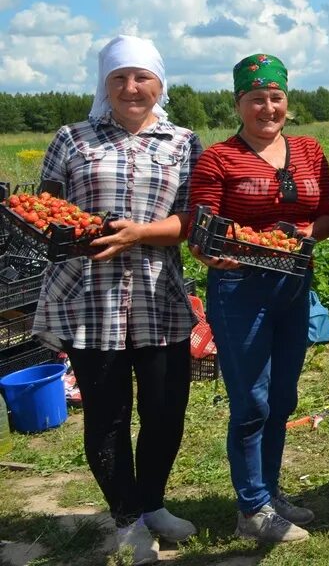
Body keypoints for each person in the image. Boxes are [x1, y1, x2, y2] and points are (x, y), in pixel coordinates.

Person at [32, 36, 202, 565]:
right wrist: (71, 231)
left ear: (159, 84)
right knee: (106, 414)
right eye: (119, 78)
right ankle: (125, 518)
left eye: (142, 77)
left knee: (165, 409)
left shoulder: (183, 142)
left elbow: (192, 222)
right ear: (105, 85)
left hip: (159, 294)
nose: (132, 88)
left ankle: (151, 503)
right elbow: (45, 211)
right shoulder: (73, 138)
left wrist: (139, 234)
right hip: (89, 295)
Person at [189, 53, 329, 544]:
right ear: (239, 104)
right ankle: (251, 508)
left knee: (282, 397)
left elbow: (328, 217)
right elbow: (201, 228)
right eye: (256, 99)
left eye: (275, 98)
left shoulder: (310, 151)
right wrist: (218, 251)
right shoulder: (218, 158)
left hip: (292, 286)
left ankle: (270, 493)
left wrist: (303, 232)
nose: (267, 108)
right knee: (250, 399)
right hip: (239, 290)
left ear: (287, 102)